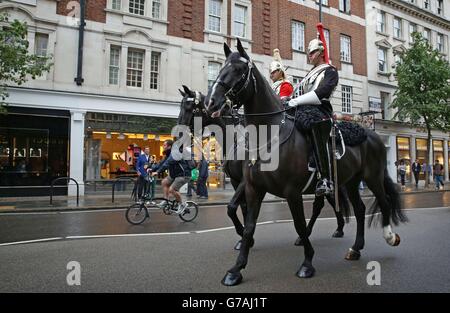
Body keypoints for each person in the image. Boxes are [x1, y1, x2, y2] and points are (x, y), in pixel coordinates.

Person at [288, 38, 339, 197]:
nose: (309, 55)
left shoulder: (330, 71)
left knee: (316, 125)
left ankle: (325, 179)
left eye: (312, 52)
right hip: (302, 110)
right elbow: (298, 93)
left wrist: (296, 101)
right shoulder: (308, 74)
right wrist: (288, 100)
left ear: (321, 53)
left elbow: (323, 92)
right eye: (308, 53)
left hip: (321, 110)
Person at [151, 140, 192, 212]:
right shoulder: (168, 154)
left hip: (183, 175)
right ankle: (166, 201)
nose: (163, 146)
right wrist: (151, 169)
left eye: (164, 145)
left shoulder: (175, 153)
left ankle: (182, 205)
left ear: (169, 146)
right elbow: (161, 163)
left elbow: (167, 163)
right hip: (175, 175)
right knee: (164, 182)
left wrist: (157, 172)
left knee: (172, 190)